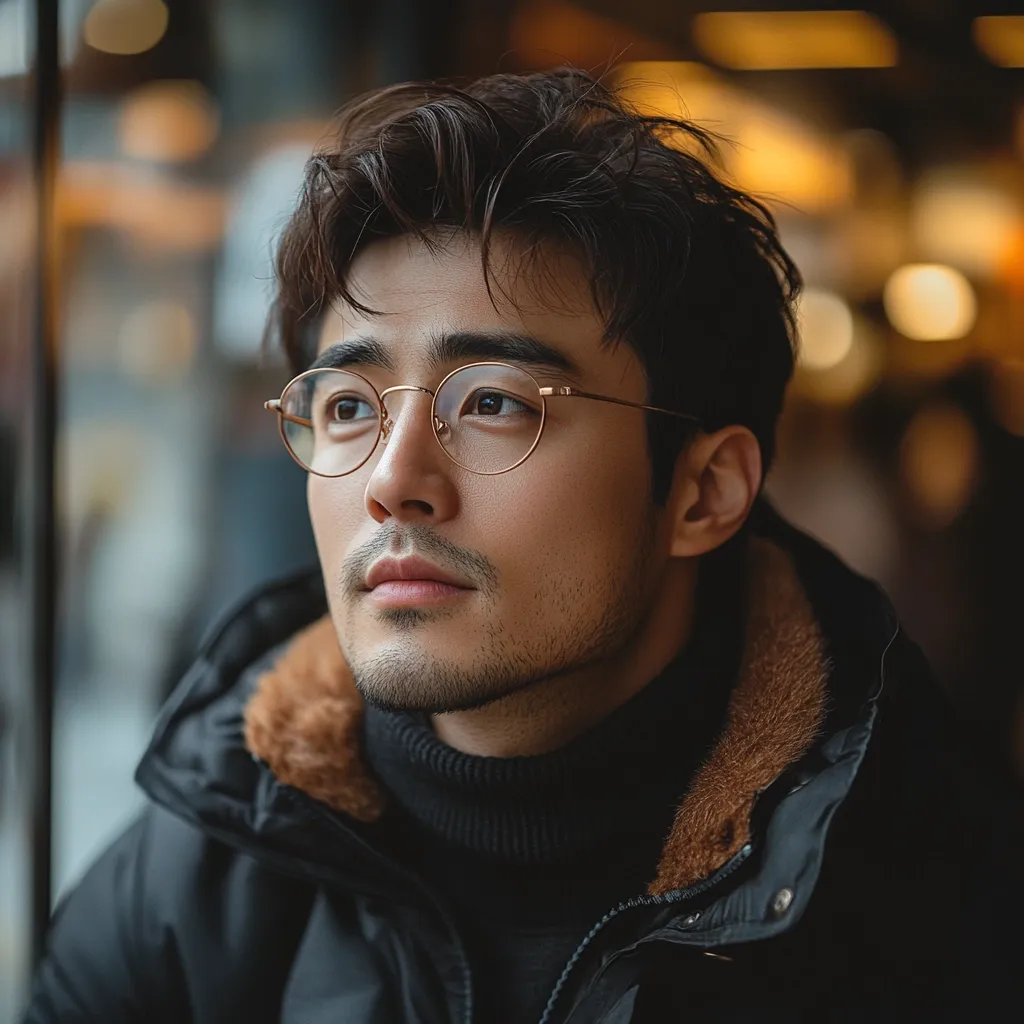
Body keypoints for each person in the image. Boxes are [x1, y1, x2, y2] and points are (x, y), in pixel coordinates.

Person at [24, 69, 1019, 1023]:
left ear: (702, 492)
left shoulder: (936, 903)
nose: (389, 479)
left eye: (492, 403)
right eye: (346, 407)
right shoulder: (194, 878)